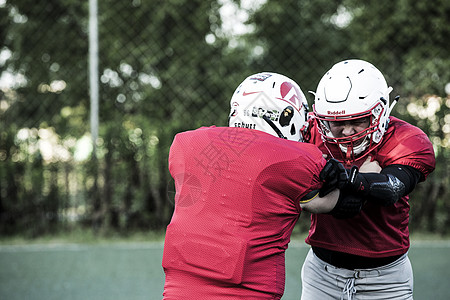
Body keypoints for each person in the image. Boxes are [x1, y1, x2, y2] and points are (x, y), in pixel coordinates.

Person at [162, 72, 349, 299]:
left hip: (179, 290)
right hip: (249, 292)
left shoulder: (185, 143)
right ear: (286, 116)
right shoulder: (295, 159)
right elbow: (341, 201)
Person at [301, 59, 436, 300]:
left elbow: (392, 188)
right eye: (338, 122)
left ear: (379, 112)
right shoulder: (310, 131)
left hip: (385, 281)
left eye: (357, 120)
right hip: (321, 274)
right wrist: (363, 177)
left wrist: (345, 176)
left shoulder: (406, 139)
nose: (347, 132)